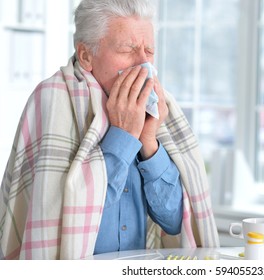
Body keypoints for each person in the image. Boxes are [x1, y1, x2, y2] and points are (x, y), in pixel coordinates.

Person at [0, 0, 219, 260]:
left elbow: (175, 222)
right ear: (85, 56)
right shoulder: (52, 98)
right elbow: (64, 222)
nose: (143, 63)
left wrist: (149, 141)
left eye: (149, 50)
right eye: (128, 49)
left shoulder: (159, 106)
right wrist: (123, 136)